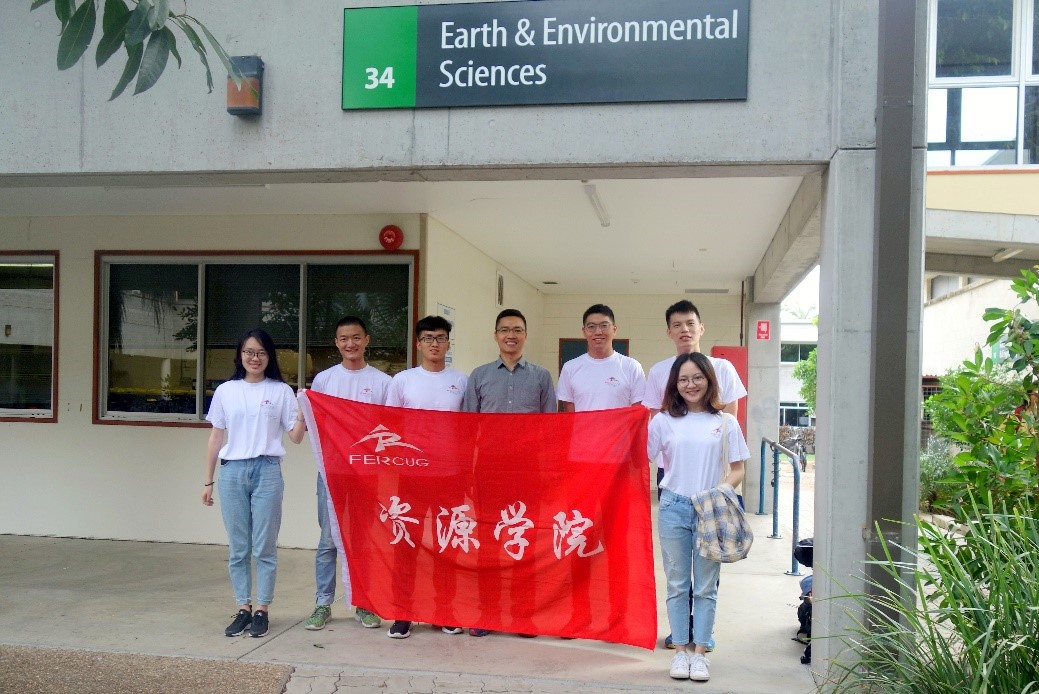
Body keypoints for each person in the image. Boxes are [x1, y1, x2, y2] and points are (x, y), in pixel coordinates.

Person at [645, 299, 747, 650]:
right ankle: (681, 634)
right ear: (669, 331)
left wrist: (718, 487)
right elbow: (650, 432)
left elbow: (728, 425)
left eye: (690, 323)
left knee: (706, 575)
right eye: (677, 324)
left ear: (701, 327)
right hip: (673, 485)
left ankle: (701, 636)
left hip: (712, 487)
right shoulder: (659, 375)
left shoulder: (723, 370)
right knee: (677, 577)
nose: (684, 329)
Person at [202, 328, 306, 638]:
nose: (255, 358)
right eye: (249, 352)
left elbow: (296, 437)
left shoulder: (281, 391)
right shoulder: (226, 391)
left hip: (267, 471)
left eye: (261, 352)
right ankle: (243, 608)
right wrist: (207, 481)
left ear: (269, 356)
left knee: (264, 547)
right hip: (232, 472)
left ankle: (262, 609)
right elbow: (216, 436)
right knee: (238, 547)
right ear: (240, 355)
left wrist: (304, 411)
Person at [461, 308, 556, 637]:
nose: (510, 335)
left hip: (528, 472)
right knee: (488, 543)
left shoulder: (541, 377)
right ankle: (486, 613)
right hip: (489, 472)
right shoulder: (479, 376)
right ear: (496, 335)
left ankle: (523, 614)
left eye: (517, 330)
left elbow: (550, 430)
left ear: (525, 335)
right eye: (504, 330)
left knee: (524, 541)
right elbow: (467, 428)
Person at [304, 316, 392, 632]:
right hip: (332, 472)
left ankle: (364, 603)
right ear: (336, 343)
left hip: (366, 474)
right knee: (329, 538)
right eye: (344, 338)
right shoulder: (324, 380)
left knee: (364, 539)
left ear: (367, 340)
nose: (350, 344)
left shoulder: (383, 382)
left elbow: (389, 428)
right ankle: (322, 603)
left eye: (356, 337)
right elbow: (316, 423)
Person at [384, 315, 468, 639]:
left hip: (450, 475)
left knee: (448, 545)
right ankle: (403, 613)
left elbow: (471, 428)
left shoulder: (461, 381)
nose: (435, 343)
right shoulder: (402, 381)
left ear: (448, 343)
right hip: (412, 476)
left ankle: (444, 611)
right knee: (406, 545)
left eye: (441, 338)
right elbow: (391, 425)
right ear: (418, 344)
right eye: (428, 338)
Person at [557, 304, 645, 412]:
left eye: (604, 325)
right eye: (591, 327)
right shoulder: (570, 368)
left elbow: (637, 413)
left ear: (614, 329)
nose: (598, 332)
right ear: (584, 331)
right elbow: (570, 416)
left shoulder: (632, 367)